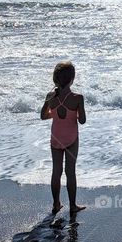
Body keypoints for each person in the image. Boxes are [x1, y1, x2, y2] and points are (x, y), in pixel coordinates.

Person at [40, 61, 87, 214]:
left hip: (56, 138)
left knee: (56, 171)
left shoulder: (50, 96)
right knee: (70, 171)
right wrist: (75, 113)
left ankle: (56, 204)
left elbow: (43, 116)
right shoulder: (77, 97)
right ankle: (73, 205)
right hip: (71, 138)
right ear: (72, 79)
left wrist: (54, 114)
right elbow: (82, 120)